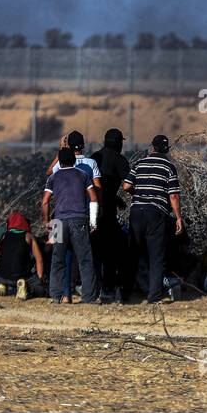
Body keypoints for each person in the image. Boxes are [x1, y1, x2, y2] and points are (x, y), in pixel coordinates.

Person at [123, 134, 182, 304]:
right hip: (156, 212)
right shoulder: (169, 167)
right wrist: (178, 217)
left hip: (136, 212)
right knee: (156, 256)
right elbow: (174, 196)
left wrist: (138, 193)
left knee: (133, 253)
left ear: (152, 148)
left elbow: (126, 185)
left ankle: (127, 294)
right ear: (166, 150)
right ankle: (154, 296)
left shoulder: (139, 163)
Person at [42, 147, 100, 304]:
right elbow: (94, 198)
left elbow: (45, 201)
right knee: (85, 260)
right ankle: (89, 297)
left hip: (57, 221)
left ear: (59, 162)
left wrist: (47, 222)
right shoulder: (83, 175)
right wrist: (93, 221)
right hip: (79, 219)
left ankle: (55, 296)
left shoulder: (53, 178)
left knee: (57, 259)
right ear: (74, 160)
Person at [89, 128, 130, 304]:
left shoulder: (94, 157)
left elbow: (99, 186)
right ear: (119, 143)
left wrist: (114, 198)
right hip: (107, 214)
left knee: (93, 251)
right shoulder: (120, 160)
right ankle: (108, 289)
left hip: (91, 210)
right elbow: (129, 183)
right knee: (111, 253)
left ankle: (92, 288)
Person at [0, 212, 46, 299]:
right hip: (19, 277)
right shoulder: (29, 237)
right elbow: (39, 260)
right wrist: (40, 279)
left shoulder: (3, 235)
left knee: (0, 271)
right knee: (41, 290)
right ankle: (27, 287)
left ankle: (3, 285)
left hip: (0, 276)